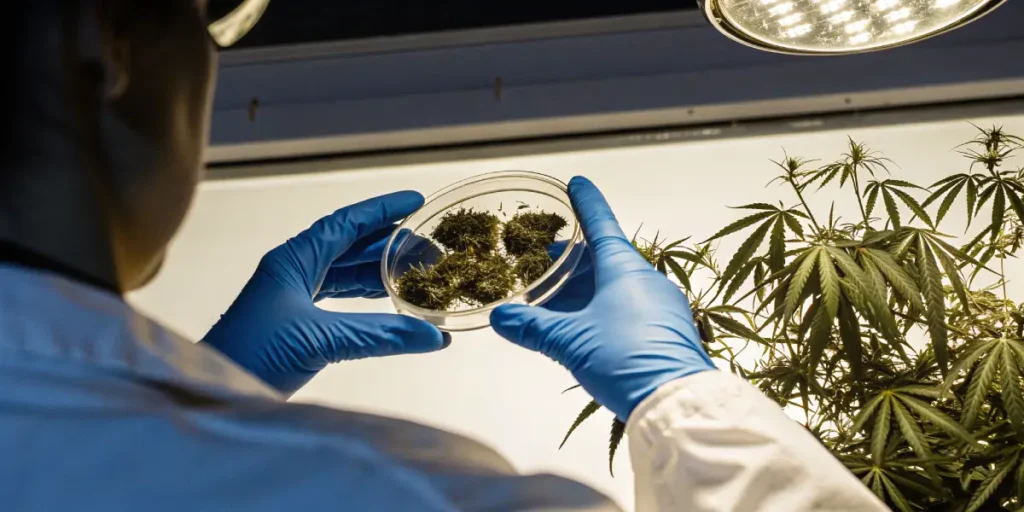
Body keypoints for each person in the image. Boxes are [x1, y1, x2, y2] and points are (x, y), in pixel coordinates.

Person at [1, 1, 887, 510]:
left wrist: (205, 395)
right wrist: (679, 397)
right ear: (104, 41)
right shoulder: (390, 492)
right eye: (208, 17)